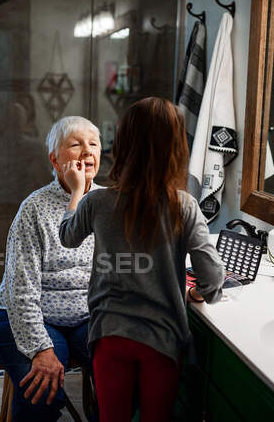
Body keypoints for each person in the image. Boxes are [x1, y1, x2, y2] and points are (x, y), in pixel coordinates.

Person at [59, 97, 224, 421]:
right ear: (175, 149)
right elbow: (213, 279)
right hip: (161, 341)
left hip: (110, 336)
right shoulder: (184, 206)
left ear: (121, 145)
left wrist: (77, 192)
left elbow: (67, 236)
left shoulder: (97, 202)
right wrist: (197, 293)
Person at [0, 116, 102, 421]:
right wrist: (40, 348)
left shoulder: (107, 204)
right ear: (54, 158)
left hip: (86, 317)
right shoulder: (34, 208)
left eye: (93, 144)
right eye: (75, 145)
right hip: (23, 315)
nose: (87, 151)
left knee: (119, 376)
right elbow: (21, 289)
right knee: (42, 393)